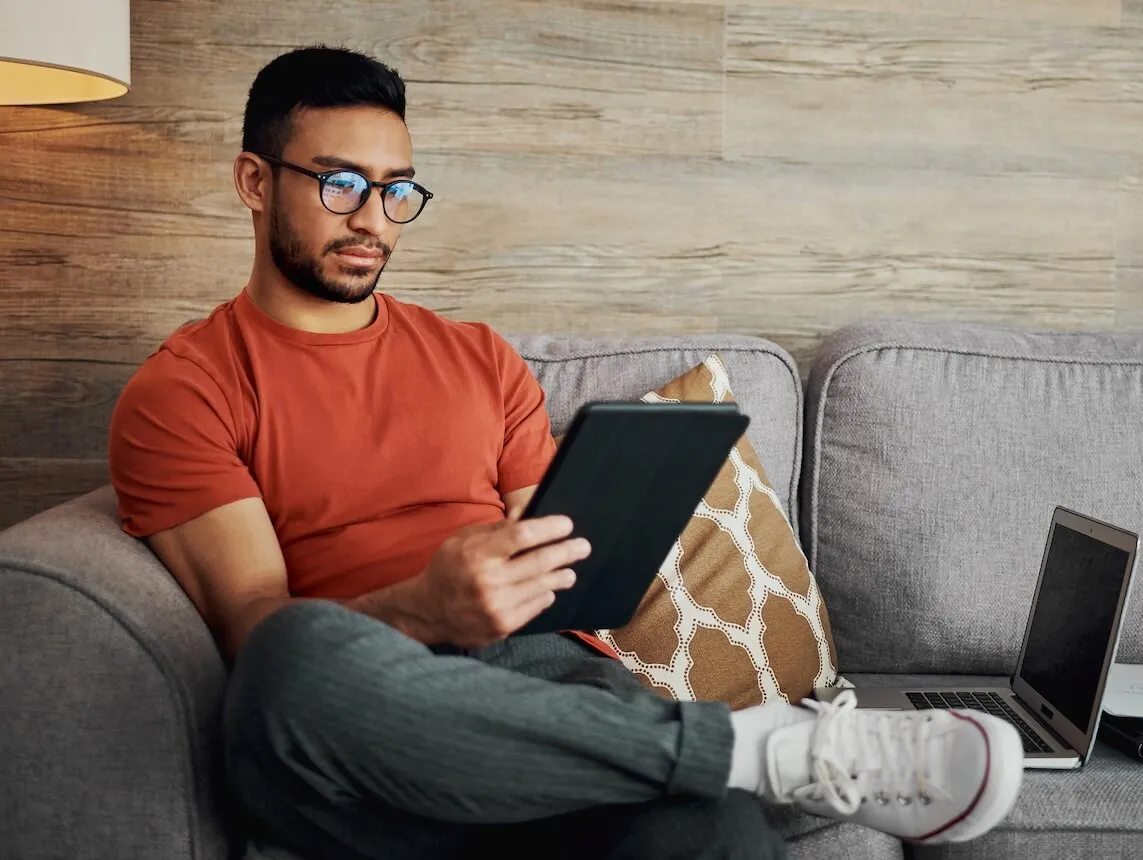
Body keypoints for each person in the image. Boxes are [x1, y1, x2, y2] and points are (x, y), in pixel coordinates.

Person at [107, 45, 1024, 860]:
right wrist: (423, 607)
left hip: (542, 694)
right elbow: (252, 624)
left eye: (397, 191)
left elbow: (556, 565)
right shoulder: (187, 388)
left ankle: (727, 761)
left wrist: (551, 568)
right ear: (254, 181)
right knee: (288, 658)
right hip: (363, 723)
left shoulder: (478, 359)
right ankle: (763, 751)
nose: (374, 220)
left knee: (715, 833)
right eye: (340, 184)